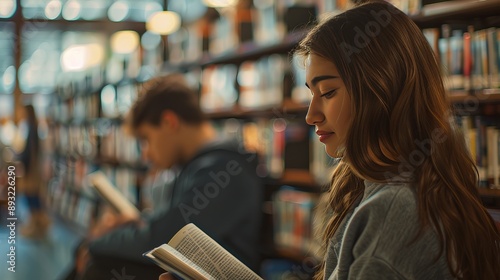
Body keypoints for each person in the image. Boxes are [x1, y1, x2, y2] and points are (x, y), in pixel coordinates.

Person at [294, 1, 500, 280]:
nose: (311, 116)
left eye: (328, 92)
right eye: (312, 94)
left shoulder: (392, 211)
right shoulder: (394, 183)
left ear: (380, 91)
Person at [73, 73, 263, 280]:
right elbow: (175, 222)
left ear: (168, 122)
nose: (145, 154)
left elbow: (168, 238)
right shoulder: (208, 165)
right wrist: (138, 222)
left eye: (146, 139)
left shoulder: (223, 169)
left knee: (99, 265)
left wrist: (95, 242)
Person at [15, 104, 51, 238]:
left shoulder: (31, 128)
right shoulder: (33, 127)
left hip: (31, 169)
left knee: (32, 195)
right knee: (33, 195)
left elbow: (29, 152)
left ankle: (38, 225)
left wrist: (20, 158)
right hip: (34, 168)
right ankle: (37, 224)